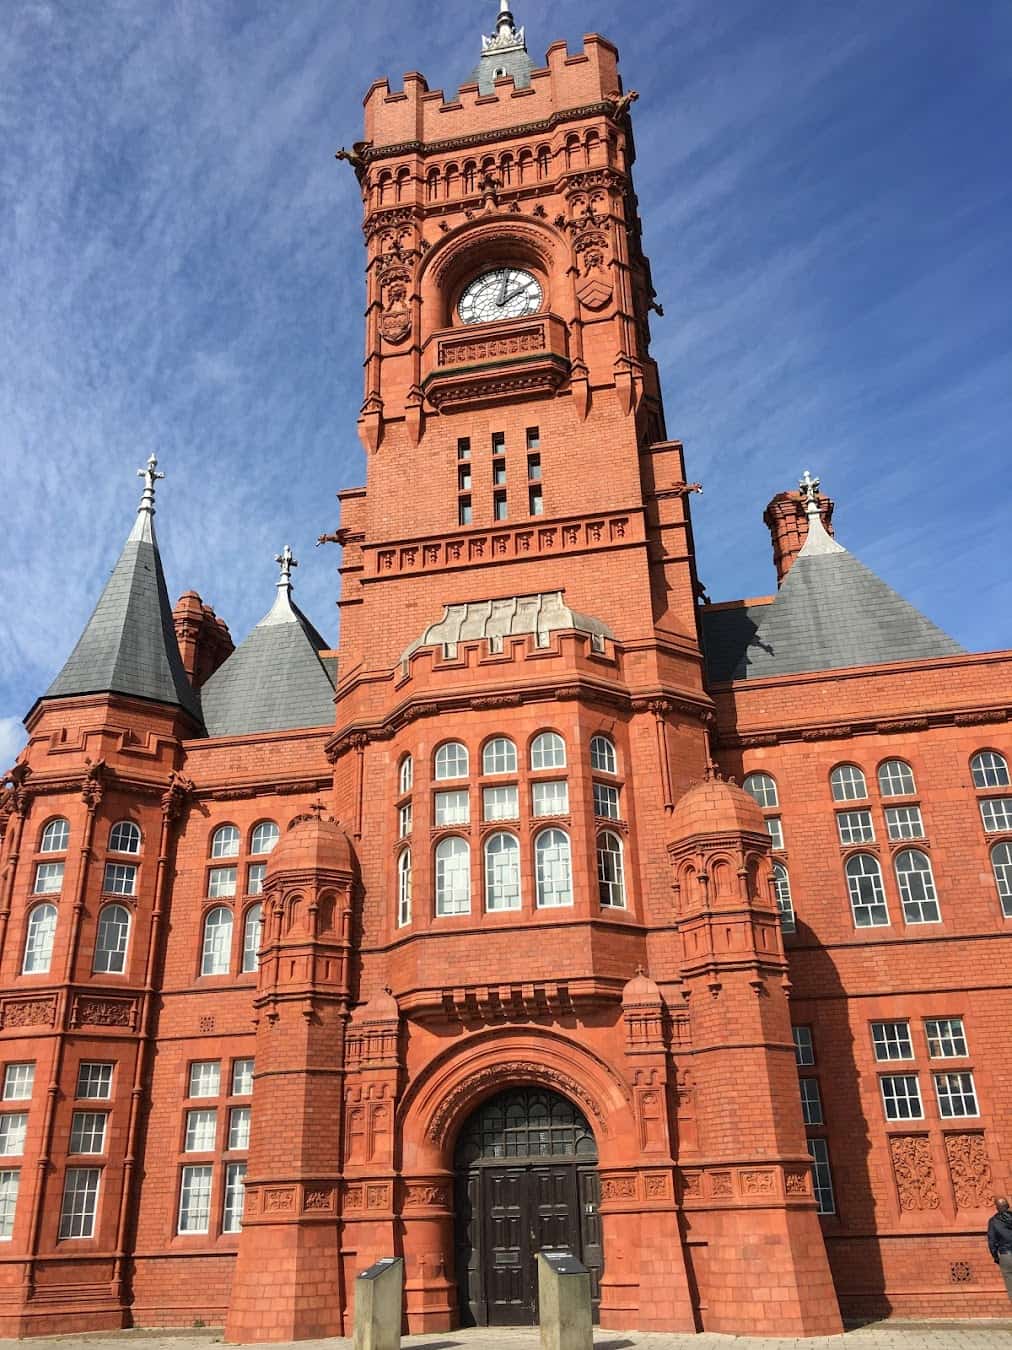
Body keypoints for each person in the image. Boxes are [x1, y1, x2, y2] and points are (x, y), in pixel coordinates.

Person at [987, 1196, 1012, 1300]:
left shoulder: (993, 1221)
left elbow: (992, 1242)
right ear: (1008, 1206)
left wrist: (996, 1257)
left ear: (997, 1208)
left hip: (1006, 1255)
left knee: (1010, 1284)